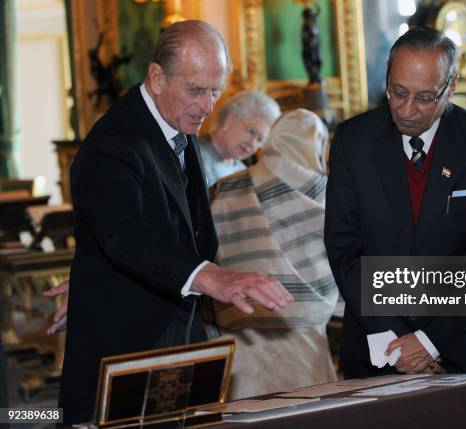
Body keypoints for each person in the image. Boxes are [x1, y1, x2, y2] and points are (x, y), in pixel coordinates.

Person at [59, 20, 292, 426]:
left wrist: (90, 273)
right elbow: (124, 234)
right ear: (156, 77)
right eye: (196, 90)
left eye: (215, 90)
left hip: (177, 323)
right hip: (130, 339)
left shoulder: (173, 122)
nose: (206, 106)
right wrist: (212, 277)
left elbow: (171, 225)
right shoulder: (113, 143)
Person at [324, 26, 466, 378]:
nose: (407, 110)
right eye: (398, 93)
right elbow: (343, 248)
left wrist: (429, 341)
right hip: (375, 346)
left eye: (425, 97)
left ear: (451, 85)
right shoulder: (353, 142)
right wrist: (396, 339)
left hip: (460, 347)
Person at [211, 109, 338, 399]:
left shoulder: (225, 187)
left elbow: (207, 254)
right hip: (305, 338)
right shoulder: (328, 193)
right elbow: (342, 264)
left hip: (240, 334)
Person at [198, 90, 280, 186]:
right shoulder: (192, 154)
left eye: (260, 140)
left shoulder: (244, 175)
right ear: (229, 120)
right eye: (251, 131)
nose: (252, 144)